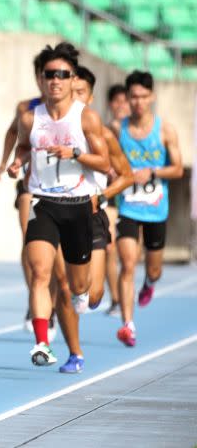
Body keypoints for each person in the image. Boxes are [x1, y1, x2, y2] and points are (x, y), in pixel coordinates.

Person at [8, 42, 110, 366]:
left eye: (63, 74)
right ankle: (41, 342)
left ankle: (78, 297)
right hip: (44, 202)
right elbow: (24, 146)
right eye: (50, 74)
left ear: (72, 78)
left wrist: (76, 154)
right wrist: (16, 162)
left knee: (80, 287)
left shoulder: (87, 118)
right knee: (40, 272)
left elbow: (105, 162)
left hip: (78, 204)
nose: (56, 80)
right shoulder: (30, 117)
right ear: (41, 78)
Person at [54, 66, 133, 373]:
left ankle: (88, 294)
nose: (73, 98)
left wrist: (102, 195)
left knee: (92, 293)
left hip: (92, 215)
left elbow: (126, 176)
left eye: (80, 93)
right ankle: (75, 353)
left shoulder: (102, 133)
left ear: (89, 95)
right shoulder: (50, 126)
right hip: (59, 211)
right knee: (63, 284)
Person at [115, 70, 183, 347]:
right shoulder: (117, 129)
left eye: (143, 96)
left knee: (153, 269)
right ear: (127, 98)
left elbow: (178, 169)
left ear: (152, 97)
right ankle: (127, 325)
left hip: (156, 209)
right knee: (128, 263)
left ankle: (150, 284)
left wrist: (151, 172)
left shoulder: (165, 130)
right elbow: (107, 160)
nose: (138, 102)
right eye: (133, 97)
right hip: (128, 207)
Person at [0, 58, 57, 340]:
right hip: (30, 184)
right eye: (43, 75)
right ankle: (37, 300)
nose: (47, 81)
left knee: (57, 254)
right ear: (38, 78)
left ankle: (50, 303)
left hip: (62, 190)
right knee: (30, 239)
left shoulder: (70, 111)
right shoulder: (26, 109)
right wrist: (5, 163)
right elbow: (12, 133)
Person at [103, 83, 130, 316]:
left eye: (125, 101)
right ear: (110, 105)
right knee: (109, 247)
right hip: (112, 195)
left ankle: (128, 287)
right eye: (116, 101)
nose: (121, 106)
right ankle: (114, 298)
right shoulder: (105, 131)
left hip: (135, 197)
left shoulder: (137, 132)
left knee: (131, 253)